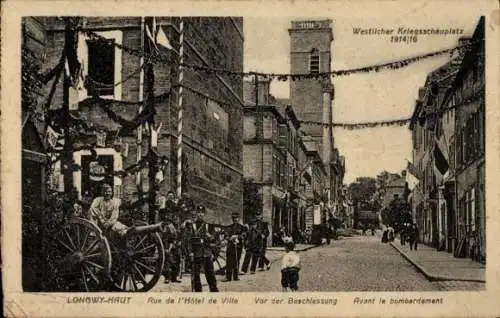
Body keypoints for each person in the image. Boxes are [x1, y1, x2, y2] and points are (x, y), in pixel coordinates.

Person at [181, 205, 219, 292]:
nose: (200, 215)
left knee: (210, 274)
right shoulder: (192, 226)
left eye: (202, 213)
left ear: (204, 214)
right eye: (199, 213)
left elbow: (214, 239)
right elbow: (188, 240)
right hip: (196, 253)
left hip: (207, 253)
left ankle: (214, 290)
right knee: (196, 275)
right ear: (196, 213)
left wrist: (210, 238)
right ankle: (198, 292)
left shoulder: (208, 226)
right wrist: (190, 252)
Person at [222, 212, 247, 282]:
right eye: (234, 218)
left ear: (238, 219)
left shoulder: (242, 227)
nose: (235, 219)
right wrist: (230, 238)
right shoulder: (229, 227)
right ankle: (228, 277)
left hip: (238, 246)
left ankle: (235, 276)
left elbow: (244, 235)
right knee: (229, 261)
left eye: (236, 218)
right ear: (232, 219)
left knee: (237, 260)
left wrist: (237, 237)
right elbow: (226, 235)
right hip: (230, 246)